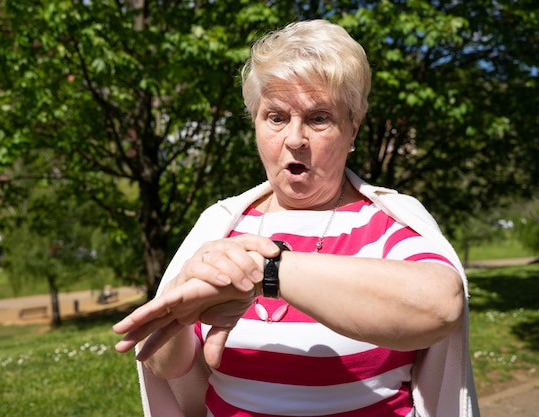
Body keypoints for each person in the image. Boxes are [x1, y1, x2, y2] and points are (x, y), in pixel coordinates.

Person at [113, 19, 480, 417]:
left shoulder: (387, 223)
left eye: (319, 117)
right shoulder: (221, 226)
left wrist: (265, 271)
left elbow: (441, 306)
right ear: (255, 124)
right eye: (275, 117)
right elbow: (165, 365)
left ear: (352, 129)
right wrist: (180, 312)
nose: (294, 138)